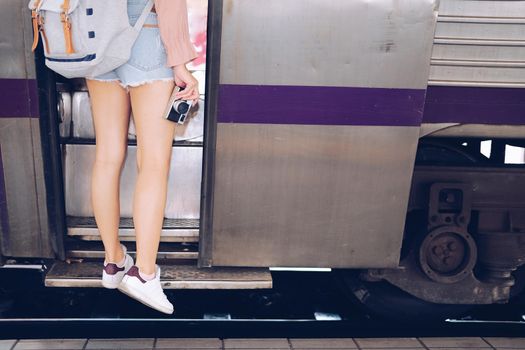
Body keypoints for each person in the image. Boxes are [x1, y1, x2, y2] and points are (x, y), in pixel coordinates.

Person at [85, 0, 199, 314]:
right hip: (147, 41)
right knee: (153, 163)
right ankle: (144, 273)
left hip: (99, 44)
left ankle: (113, 261)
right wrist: (180, 64)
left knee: (107, 156)